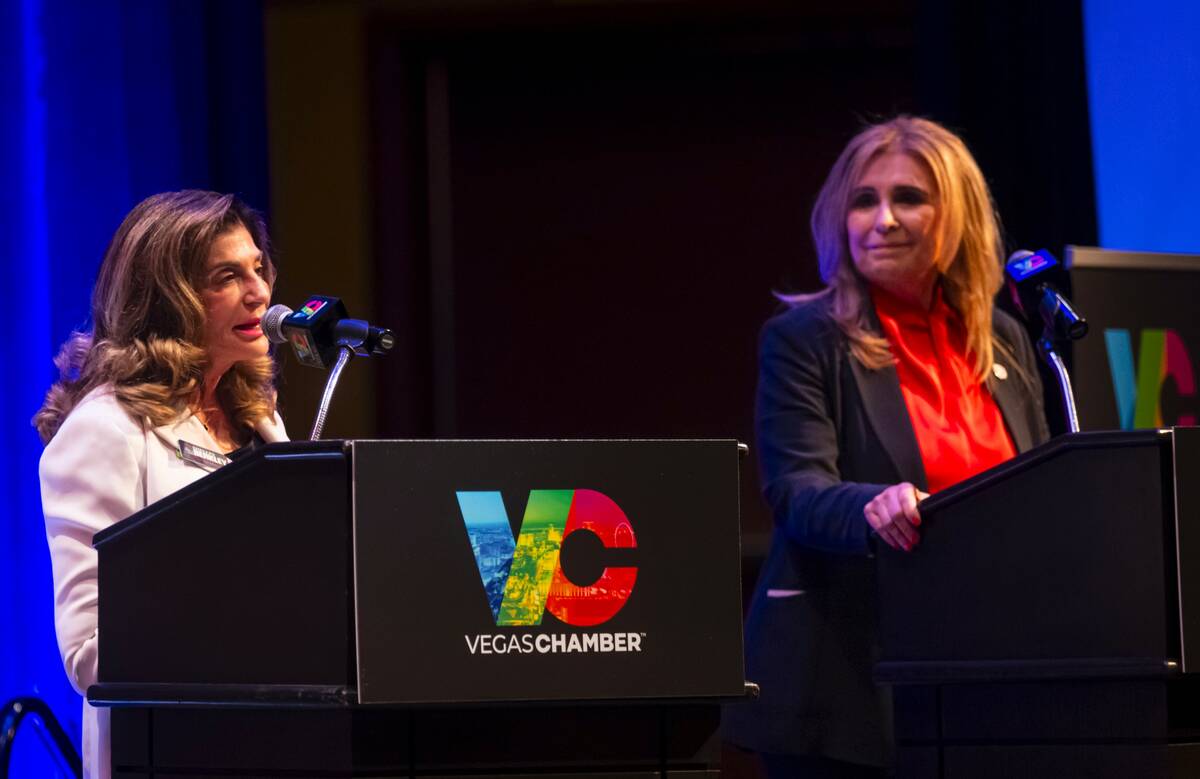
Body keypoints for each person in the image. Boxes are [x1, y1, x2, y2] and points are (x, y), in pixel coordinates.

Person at [723, 117, 1050, 777]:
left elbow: (1039, 489)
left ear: (954, 215)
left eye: (908, 198)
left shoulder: (1005, 340)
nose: (883, 219)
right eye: (864, 200)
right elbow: (797, 491)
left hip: (987, 676)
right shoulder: (806, 338)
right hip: (849, 684)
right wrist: (877, 504)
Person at [35, 191, 288, 779]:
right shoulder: (106, 430)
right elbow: (88, 653)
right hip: (171, 755)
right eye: (228, 276)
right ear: (170, 299)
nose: (260, 293)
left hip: (279, 740)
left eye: (258, 269)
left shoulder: (259, 417)